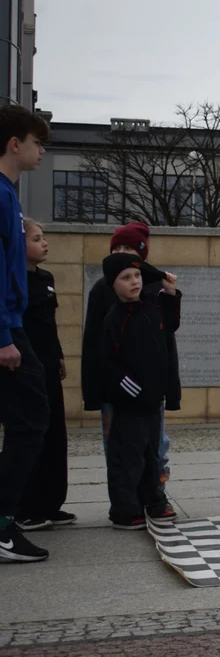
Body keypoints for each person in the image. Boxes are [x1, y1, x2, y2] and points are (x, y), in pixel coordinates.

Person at [82, 221, 177, 488]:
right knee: (119, 444)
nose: (122, 252)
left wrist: (170, 386)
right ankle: (126, 498)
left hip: (150, 388)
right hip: (115, 386)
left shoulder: (154, 287)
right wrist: (94, 390)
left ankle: (156, 493)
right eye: (117, 247)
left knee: (156, 443)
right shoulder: (102, 290)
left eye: (129, 248)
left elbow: (167, 339)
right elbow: (93, 342)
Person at [0, 105, 51, 562]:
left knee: (28, 421)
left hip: (11, 323)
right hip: (6, 328)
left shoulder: (9, 194)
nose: (41, 151)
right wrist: (3, 334)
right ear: (15, 142)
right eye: (37, 143)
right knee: (31, 421)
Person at [100, 253, 181, 529]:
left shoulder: (152, 308)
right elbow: (110, 364)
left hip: (153, 402)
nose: (134, 282)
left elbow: (170, 324)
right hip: (131, 404)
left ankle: (155, 501)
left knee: (152, 455)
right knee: (127, 458)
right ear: (113, 284)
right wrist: (134, 392)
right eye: (126, 278)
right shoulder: (114, 319)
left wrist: (170, 294)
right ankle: (125, 510)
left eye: (136, 276)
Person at [16, 220, 77, 531]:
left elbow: (49, 325)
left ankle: (51, 503)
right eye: (37, 239)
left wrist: (60, 356)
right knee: (31, 435)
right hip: (26, 366)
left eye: (43, 238)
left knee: (56, 434)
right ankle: (25, 507)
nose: (45, 243)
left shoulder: (47, 278)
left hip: (50, 365)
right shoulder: (12, 279)